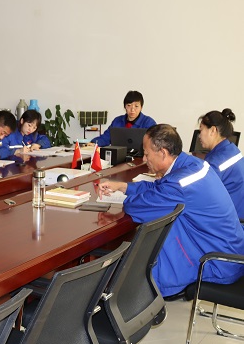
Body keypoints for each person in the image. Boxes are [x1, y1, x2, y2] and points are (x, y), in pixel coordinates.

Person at [98, 124, 244, 297]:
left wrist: (129, 197)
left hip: (216, 262)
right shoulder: (192, 164)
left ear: (163, 153)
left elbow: (138, 206)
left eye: (146, 154)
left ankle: (137, 297)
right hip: (226, 249)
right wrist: (124, 187)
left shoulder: (179, 184)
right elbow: (159, 188)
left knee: (155, 235)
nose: (144, 159)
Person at [197, 108, 244, 219]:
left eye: (201, 130)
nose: (199, 136)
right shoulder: (232, 149)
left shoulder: (217, 162)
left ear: (213, 130)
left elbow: (199, 191)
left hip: (229, 220)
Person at [91, 90, 156, 147]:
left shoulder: (149, 123)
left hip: (140, 156)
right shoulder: (117, 121)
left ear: (141, 107)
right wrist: (94, 143)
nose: (132, 109)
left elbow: (153, 144)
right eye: (129, 105)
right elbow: (106, 137)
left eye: (136, 106)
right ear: (125, 107)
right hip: (118, 155)